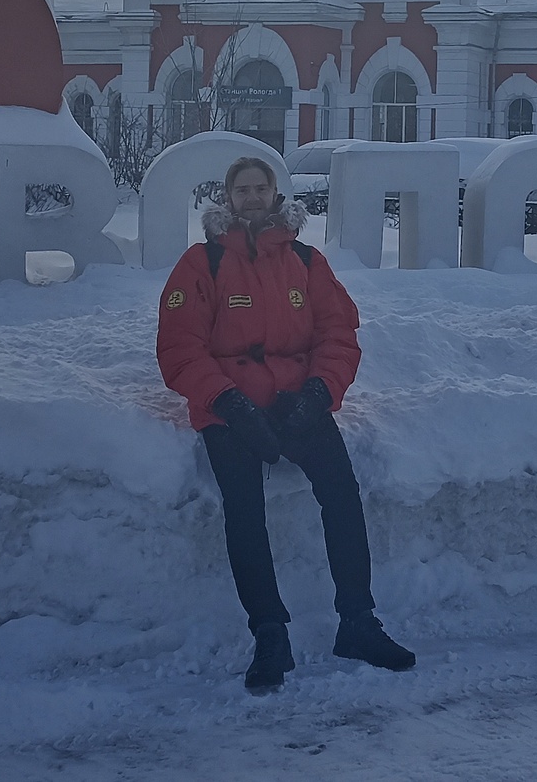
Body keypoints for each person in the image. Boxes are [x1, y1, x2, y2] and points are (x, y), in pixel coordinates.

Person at [155, 154, 415, 694]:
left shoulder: (306, 260)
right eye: (241, 189)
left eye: (261, 188)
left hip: (298, 401)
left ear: (276, 195)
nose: (252, 197)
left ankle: (358, 623)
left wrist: (320, 392)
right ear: (227, 199)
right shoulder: (201, 263)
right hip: (229, 409)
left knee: (342, 492)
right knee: (244, 509)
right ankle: (270, 632)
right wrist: (229, 404)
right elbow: (180, 348)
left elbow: (339, 334)